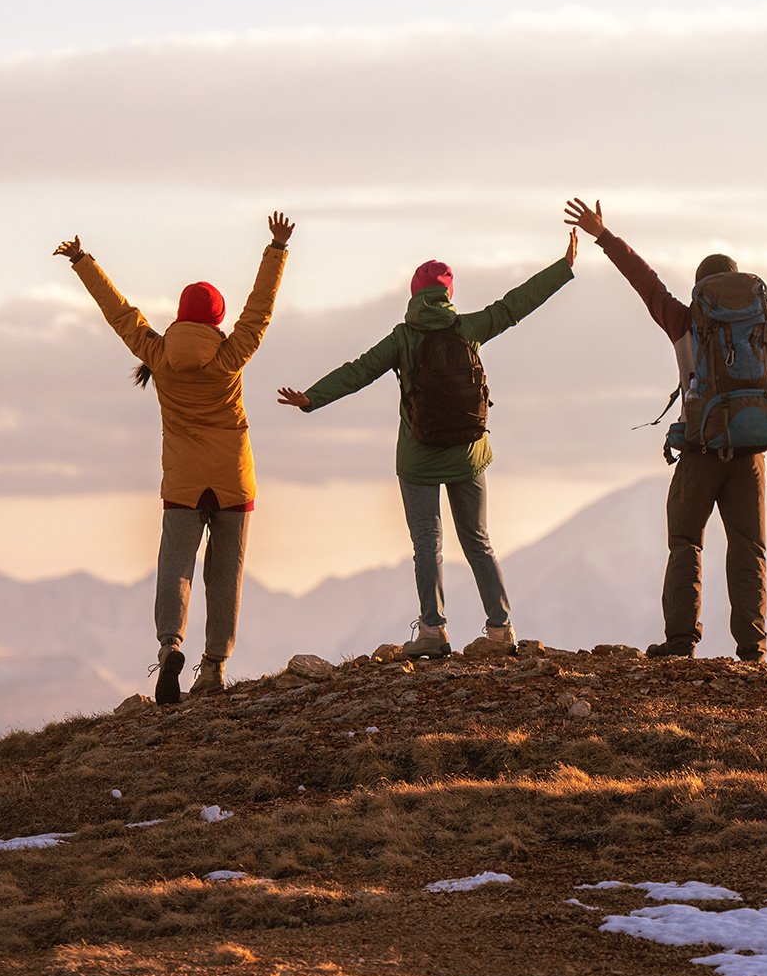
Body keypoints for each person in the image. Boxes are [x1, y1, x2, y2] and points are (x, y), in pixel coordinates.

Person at [563, 197, 767, 662]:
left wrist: (603, 234)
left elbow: (643, 280)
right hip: (751, 450)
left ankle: (679, 643)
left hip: (700, 449)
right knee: (749, 547)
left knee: (685, 543)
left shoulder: (684, 320)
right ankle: (752, 648)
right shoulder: (765, 320)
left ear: (701, 291)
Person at [278, 229, 577, 659]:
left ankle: (433, 631)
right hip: (468, 455)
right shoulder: (468, 327)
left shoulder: (403, 337)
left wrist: (312, 398)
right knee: (478, 540)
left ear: (415, 295)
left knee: (427, 544)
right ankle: (500, 630)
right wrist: (563, 267)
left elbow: (359, 370)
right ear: (448, 294)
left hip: (418, 458)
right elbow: (515, 306)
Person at [54, 212, 292, 704]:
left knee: (175, 567)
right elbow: (260, 309)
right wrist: (276, 249)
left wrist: (82, 261)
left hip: (183, 482)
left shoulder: (157, 353)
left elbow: (119, 313)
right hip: (232, 479)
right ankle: (214, 666)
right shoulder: (231, 355)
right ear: (216, 319)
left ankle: (169, 648)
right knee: (224, 574)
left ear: (182, 315)